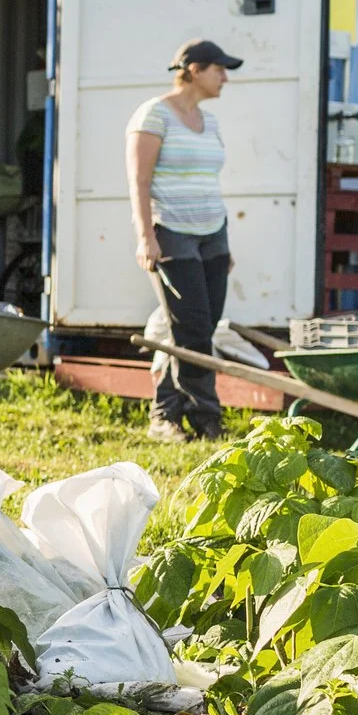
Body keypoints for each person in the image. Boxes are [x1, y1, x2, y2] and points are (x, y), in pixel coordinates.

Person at [128, 39, 240, 443]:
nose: (225, 77)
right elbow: (139, 181)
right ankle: (204, 419)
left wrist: (224, 244)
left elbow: (210, 180)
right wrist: (146, 237)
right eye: (219, 69)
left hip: (213, 233)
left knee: (200, 329)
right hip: (172, 233)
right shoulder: (154, 114)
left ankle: (168, 414)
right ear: (193, 69)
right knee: (190, 327)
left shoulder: (210, 122)